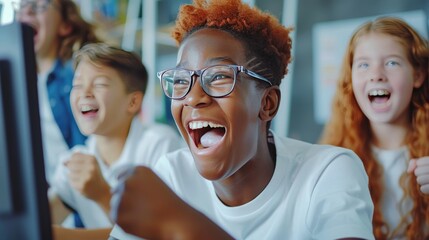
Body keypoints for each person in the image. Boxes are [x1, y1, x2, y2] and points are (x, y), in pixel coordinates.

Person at [110, 0, 375, 239]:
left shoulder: (326, 172)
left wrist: (185, 227)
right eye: (180, 80)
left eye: (218, 76)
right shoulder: (172, 175)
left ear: (267, 104)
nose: (193, 97)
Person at [49, 43, 184, 239]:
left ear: (133, 102)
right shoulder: (74, 161)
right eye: (77, 85)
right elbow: (36, 222)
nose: (84, 93)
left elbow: (156, 233)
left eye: (100, 84)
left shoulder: (159, 144)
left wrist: (102, 194)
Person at [319, 16, 429, 239]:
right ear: (351, 77)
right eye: (364, 65)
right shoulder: (331, 158)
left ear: (417, 75)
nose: (376, 75)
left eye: (392, 63)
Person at [13, 0, 100, 184]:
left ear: (65, 25)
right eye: (21, 6)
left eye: (39, 5)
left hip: (75, 198)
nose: (27, 10)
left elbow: (95, 151)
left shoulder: (75, 77)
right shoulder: (15, 80)